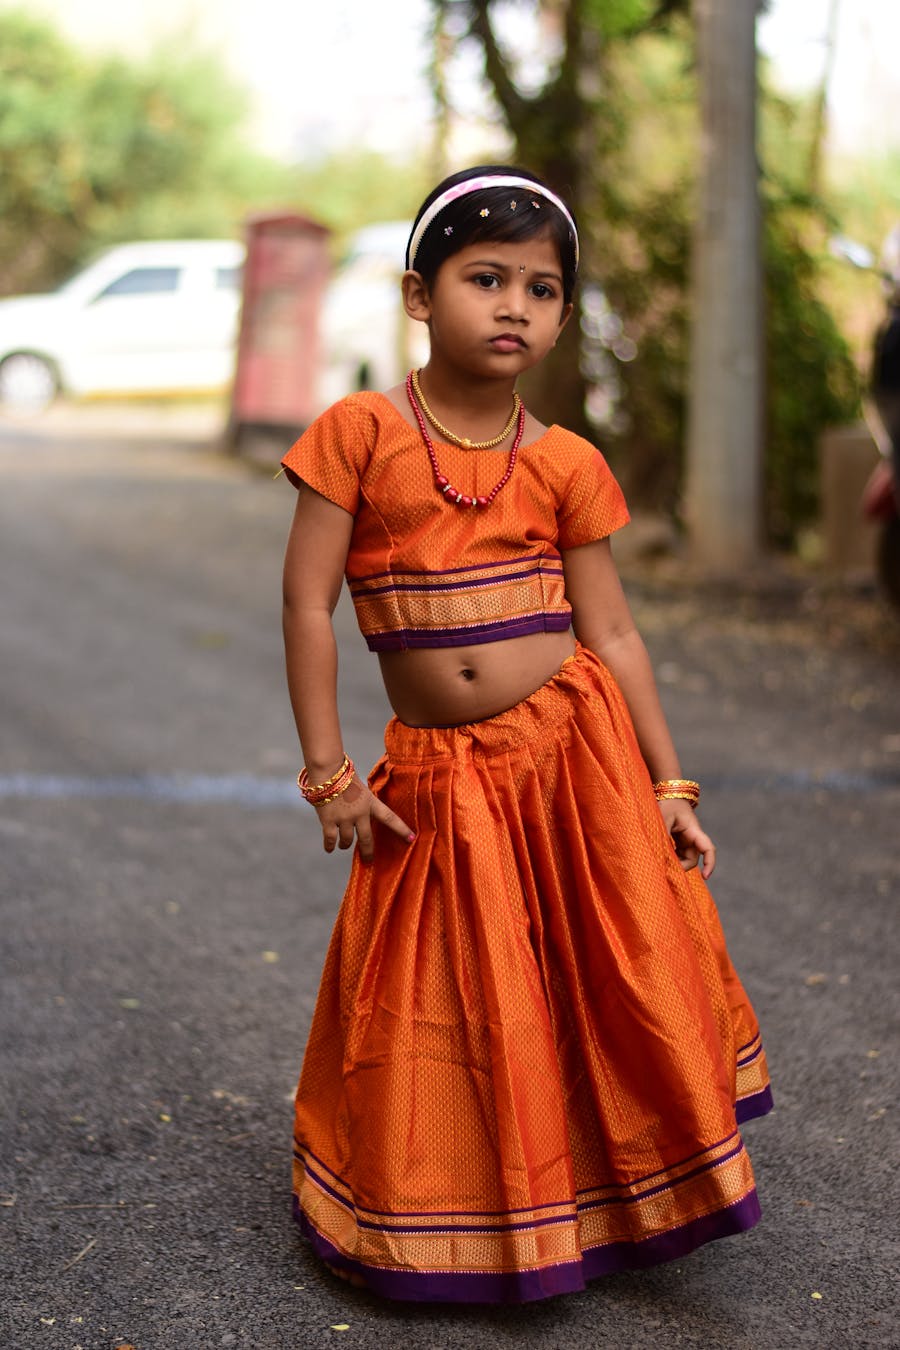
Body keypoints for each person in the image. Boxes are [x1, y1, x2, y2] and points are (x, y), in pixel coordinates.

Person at [280, 165, 772, 1304]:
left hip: (571, 753)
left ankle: (595, 1200)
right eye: (484, 278)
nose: (514, 307)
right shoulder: (356, 433)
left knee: (597, 975)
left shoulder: (562, 461)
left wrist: (670, 783)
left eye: (543, 290)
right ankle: (447, 1212)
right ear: (418, 295)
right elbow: (307, 604)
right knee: (451, 990)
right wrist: (331, 774)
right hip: (443, 774)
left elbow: (612, 631)